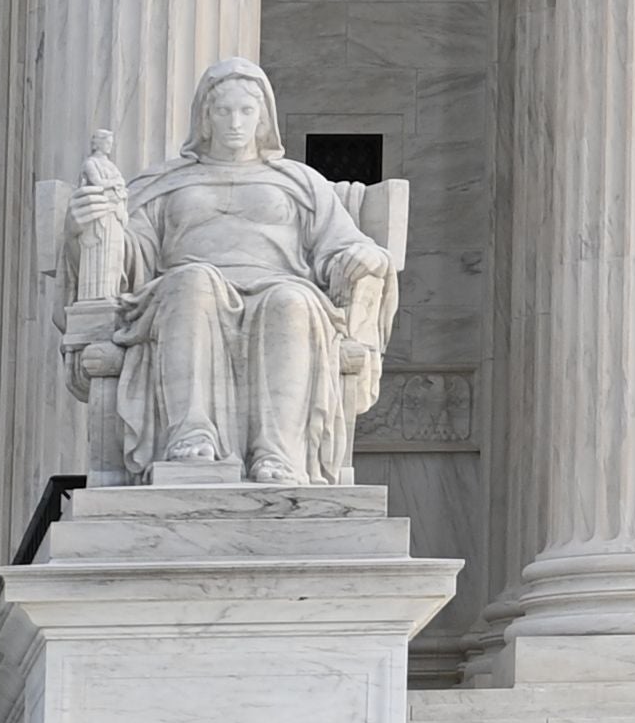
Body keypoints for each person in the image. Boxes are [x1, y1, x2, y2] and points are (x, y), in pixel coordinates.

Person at [53, 59, 399, 486]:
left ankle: (278, 454)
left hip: (280, 287)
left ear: (263, 118)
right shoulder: (165, 183)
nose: (235, 123)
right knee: (194, 282)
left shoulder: (300, 183)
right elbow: (129, 256)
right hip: (183, 290)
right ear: (205, 117)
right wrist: (86, 226)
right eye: (223, 111)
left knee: (292, 301)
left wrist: (368, 257)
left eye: (246, 111)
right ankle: (191, 435)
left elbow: (342, 245)